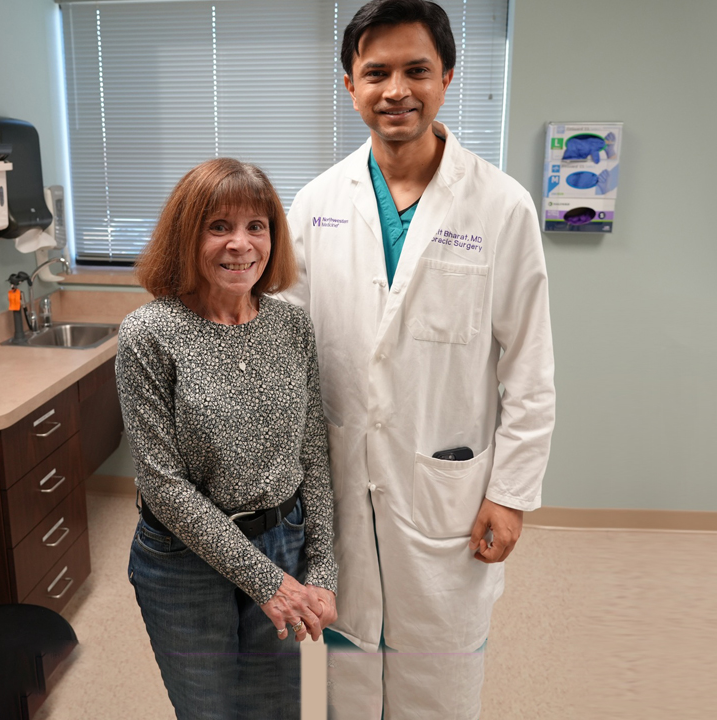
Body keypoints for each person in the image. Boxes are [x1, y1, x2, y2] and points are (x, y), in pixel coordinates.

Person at [280, 1, 556, 717]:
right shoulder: (315, 203)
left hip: (446, 485)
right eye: (376, 73)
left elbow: (529, 366)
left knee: (438, 662)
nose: (396, 90)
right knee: (334, 659)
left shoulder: (502, 206)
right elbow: (283, 350)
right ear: (349, 84)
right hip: (336, 479)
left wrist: (511, 493)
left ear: (447, 78)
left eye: (416, 70)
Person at [116, 158, 338, 720]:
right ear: (186, 237)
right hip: (183, 563)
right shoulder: (149, 333)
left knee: (280, 708)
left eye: (255, 226)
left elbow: (312, 451)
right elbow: (163, 484)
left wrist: (321, 569)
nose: (241, 244)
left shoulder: (291, 325)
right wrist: (267, 583)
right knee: (209, 711)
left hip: (283, 541)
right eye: (219, 227)